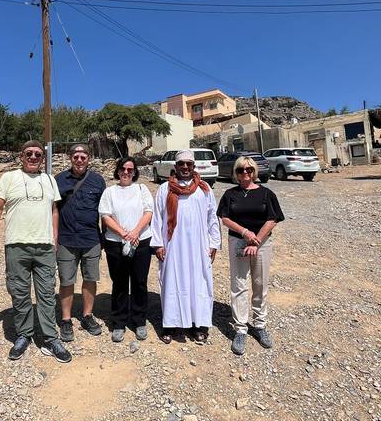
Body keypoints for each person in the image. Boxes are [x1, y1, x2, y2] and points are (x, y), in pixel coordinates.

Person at [0, 141, 71, 364]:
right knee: (20, 292)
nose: (33, 157)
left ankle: (50, 338)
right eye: (29, 153)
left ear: (42, 158)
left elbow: (54, 210)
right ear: (21, 156)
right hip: (16, 245)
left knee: (46, 294)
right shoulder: (9, 178)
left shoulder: (49, 180)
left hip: (44, 247)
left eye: (38, 154)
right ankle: (24, 334)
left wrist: (54, 238)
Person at [151, 149, 221, 344]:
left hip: (199, 246)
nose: (185, 167)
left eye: (188, 164)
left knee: (199, 283)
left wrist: (214, 243)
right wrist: (158, 244)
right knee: (171, 282)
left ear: (193, 166)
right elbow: (157, 218)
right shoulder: (165, 189)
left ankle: (198, 325)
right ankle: (171, 325)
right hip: (172, 245)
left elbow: (212, 218)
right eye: (181, 164)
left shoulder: (204, 189)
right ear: (175, 166)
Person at [218, 155, 285, 356]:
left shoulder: (266, 193)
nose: (245, 173)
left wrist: (256, 240)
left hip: (261, 243)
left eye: (249, 169)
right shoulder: (230, 194)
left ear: (254, 171)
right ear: (236, 173)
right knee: (239, 284)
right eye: (240, 170)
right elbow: (225, 218)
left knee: (260, 283)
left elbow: (273, 219)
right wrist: (245, 233)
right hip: (238, 242)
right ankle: (240, 329)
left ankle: (260, 325)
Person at [99, 156, 154, 342]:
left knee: (139, 282)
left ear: (134, 172)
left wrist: (135, 232)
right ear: (118, 170)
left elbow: (148, 212)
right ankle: (119, 322)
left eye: (130, 169)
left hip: (141, 241)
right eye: (123, 168)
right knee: (120, 283)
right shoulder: (109, 192)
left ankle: (139, 321)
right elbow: (105, 216)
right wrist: (123, 233)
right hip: (116, 242)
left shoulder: (142, 189)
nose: (126, 172)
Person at [55, 143, 106, 342]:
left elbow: (104, 211)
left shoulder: (98, 181)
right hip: (66, 239)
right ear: (70, 158)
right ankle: (66, 319)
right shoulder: (59, 179)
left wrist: (104, 237)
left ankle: (87, 315)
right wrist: (53, 237)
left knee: (90, 279)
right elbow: (53, 210)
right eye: (75, 157)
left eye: (83, 157)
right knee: (67, 280)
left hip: (91, 239)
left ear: (88, 158)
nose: (79, 160)